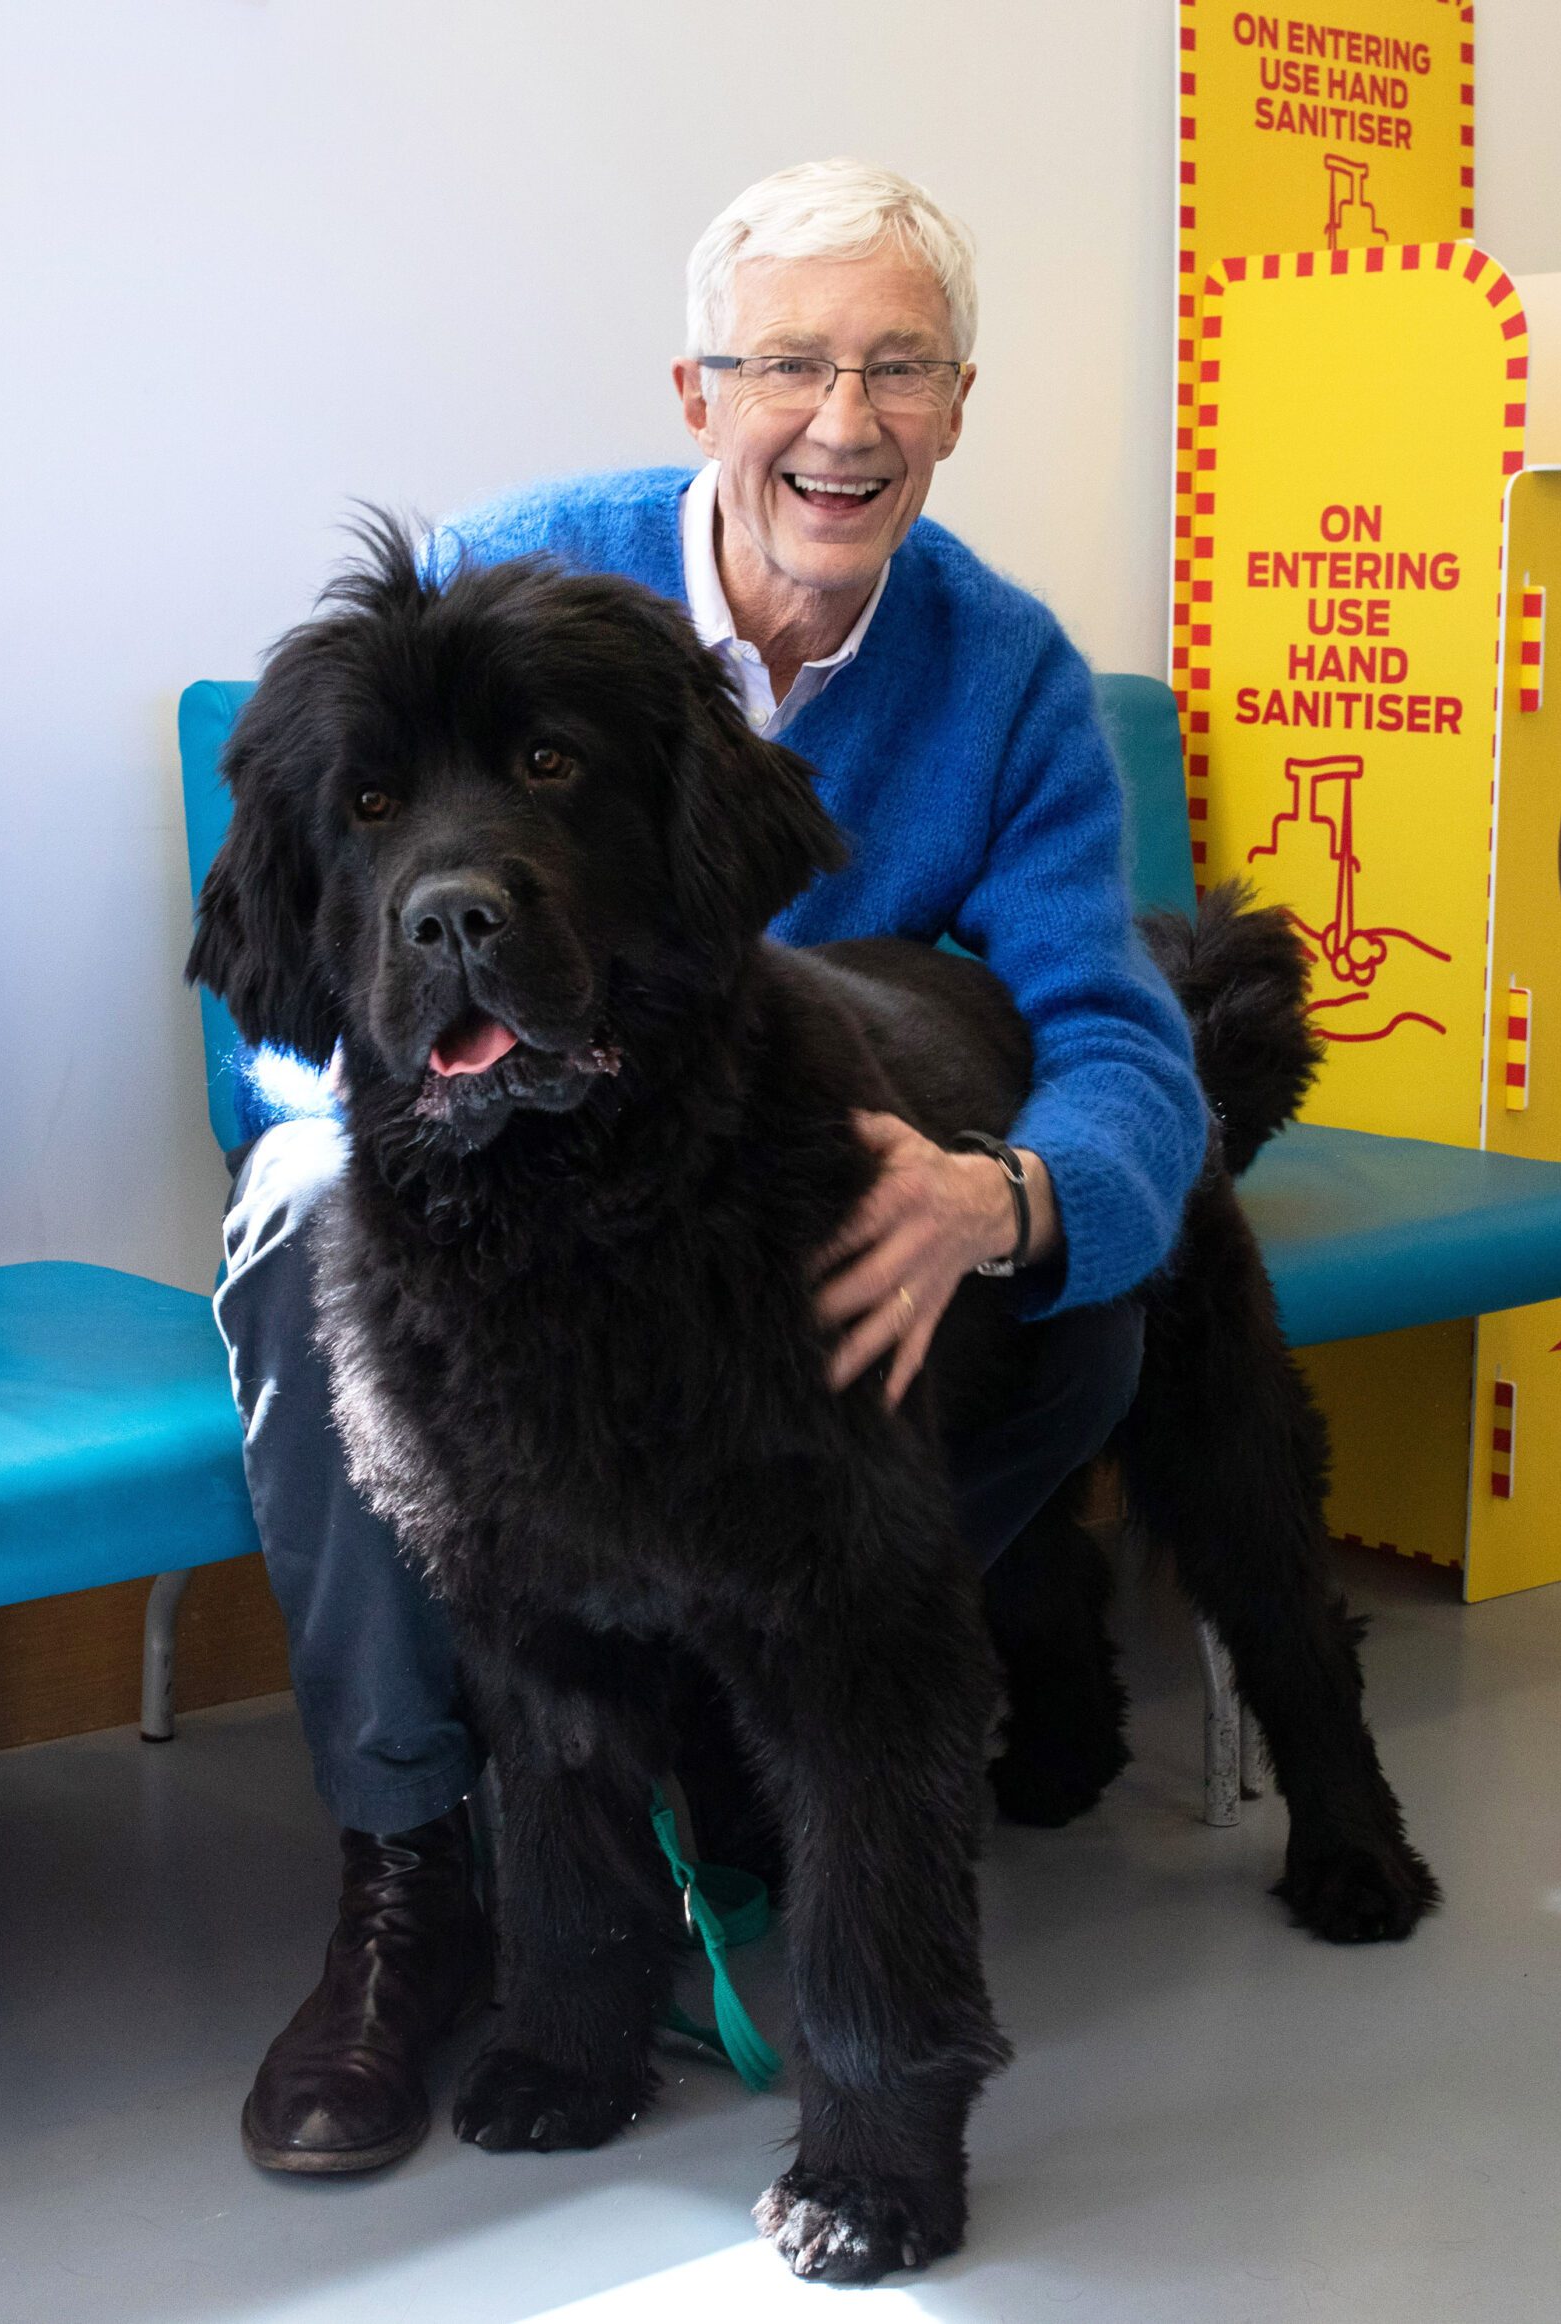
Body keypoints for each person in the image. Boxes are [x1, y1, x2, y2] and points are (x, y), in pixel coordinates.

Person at [213, 158, 1208, 2176]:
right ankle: (416, 1885)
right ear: (698, 393)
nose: (839, 421)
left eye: (895, 367)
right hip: (437, 1160)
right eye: (786, 364)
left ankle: (782, 1805)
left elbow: (1104, 1025)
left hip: (768, 1153)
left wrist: (1001, 1200)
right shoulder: (505, 591)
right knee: (316, 1234)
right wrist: (407, 1098)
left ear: (952, 400)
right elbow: (282, 966)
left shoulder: (999, 672)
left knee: (1071, 1315)